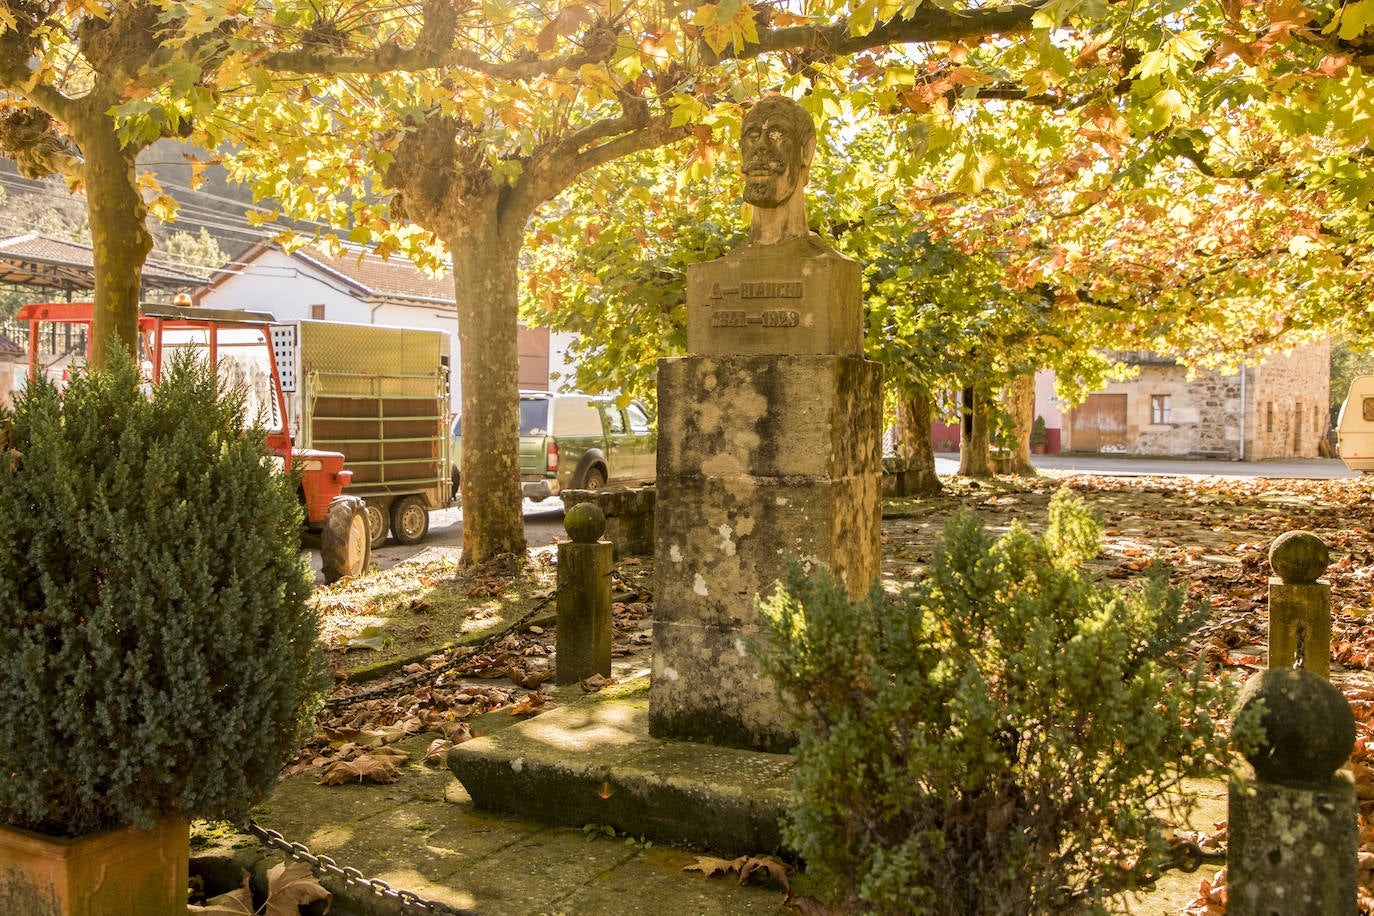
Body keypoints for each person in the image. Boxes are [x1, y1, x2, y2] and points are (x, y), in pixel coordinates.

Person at [739, 96, 817, 246]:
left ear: (807, 150)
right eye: (753, 136)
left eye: (777, 135)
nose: (760, 146)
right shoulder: (716, 268)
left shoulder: (825, 264)